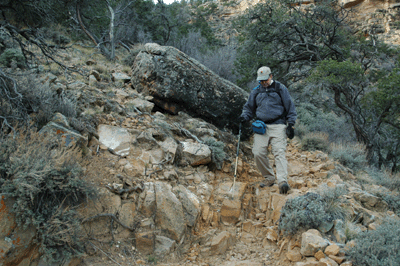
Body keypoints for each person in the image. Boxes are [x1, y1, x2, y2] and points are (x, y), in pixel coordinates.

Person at [239, 66, 297, 194]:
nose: (263, 82)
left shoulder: (280, 88)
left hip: (278, 125)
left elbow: (290, 107)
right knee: (258, 152)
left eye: (265, 79)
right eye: (261, 80)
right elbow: (249, 108)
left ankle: (282, 182)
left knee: (279, 152)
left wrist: (291, 124)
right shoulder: (256, 91)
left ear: (271, 76)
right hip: (261, 126)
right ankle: (269, 178)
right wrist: (245, 116)